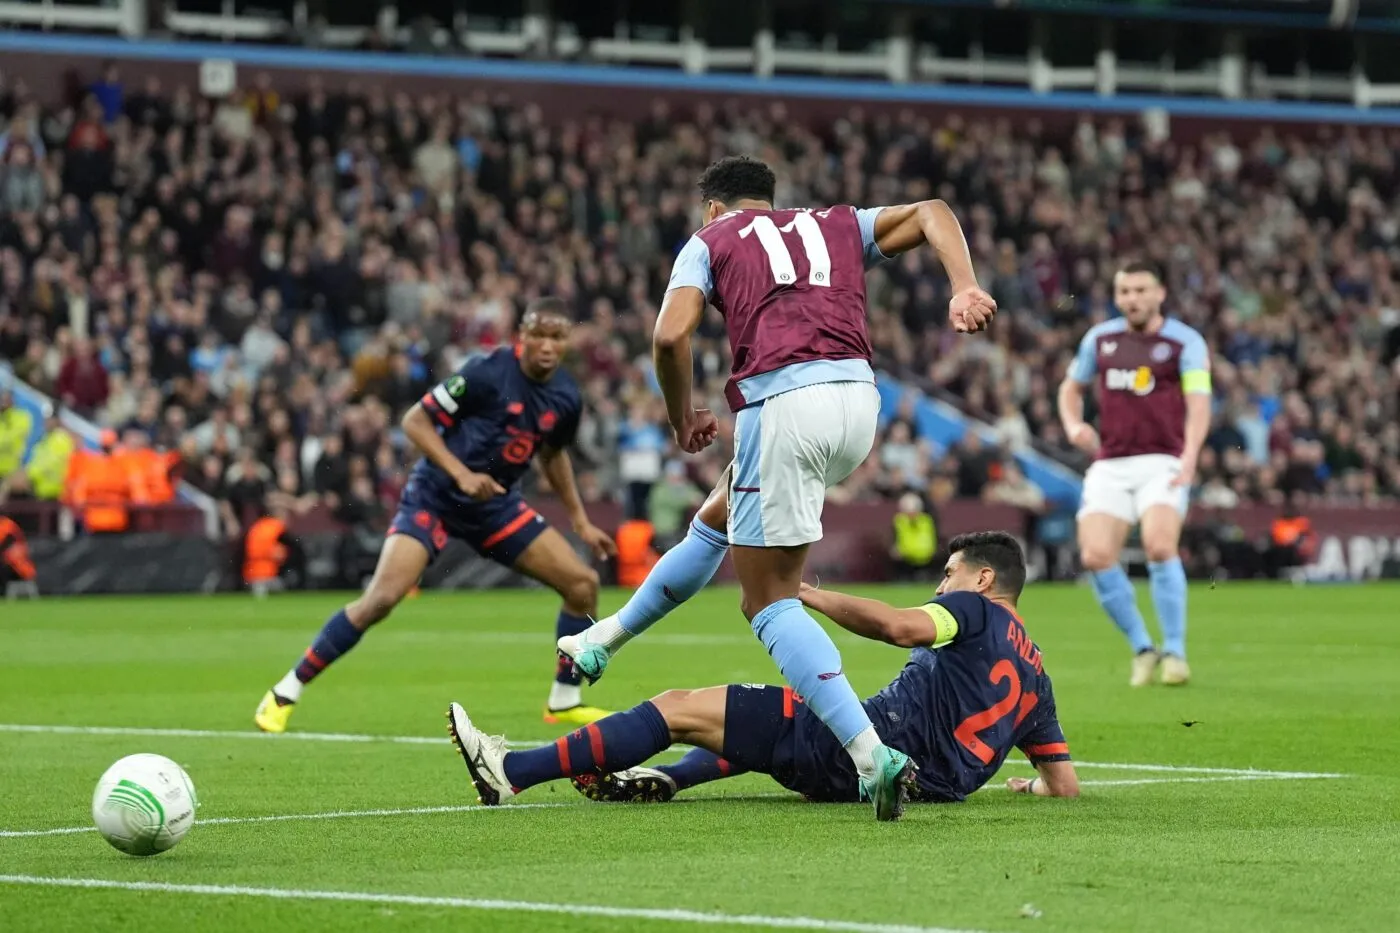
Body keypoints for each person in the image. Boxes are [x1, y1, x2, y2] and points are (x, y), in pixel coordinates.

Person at [560, 154, 998, 820]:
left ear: (713, 207)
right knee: (717, 515)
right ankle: (602, 640)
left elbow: (669, 334)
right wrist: (963, 285)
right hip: (858, 403)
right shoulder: (835, 224)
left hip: (786, 404)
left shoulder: (708, 240)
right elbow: (935, 211)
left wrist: (682, 419)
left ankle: (868, 754)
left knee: (768, 599)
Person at [448, 532, 1078, 821]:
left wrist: (809, 596)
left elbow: (898, 627)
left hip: (869, 752)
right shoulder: (1038, 676)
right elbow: (1064, 785)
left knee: (679, 706)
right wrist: (1035, 791)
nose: (942, 584)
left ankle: (512, 773)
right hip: (926, 787)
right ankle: (664, 777)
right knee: (768, 730)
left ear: (985, 581)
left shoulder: (972, 611)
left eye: (950, 573)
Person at [254, 298, 617, 734]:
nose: (545, 344)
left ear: (566, 342)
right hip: (436, 497)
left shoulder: (565, 396)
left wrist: (579, 519)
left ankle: (564, 701)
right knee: (382, 599)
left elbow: (554, 455)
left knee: (582, 585)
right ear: (521, 334)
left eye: (556, 336)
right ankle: (285, 691)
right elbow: (415, 421)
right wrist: (462, 474)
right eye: (537, 333)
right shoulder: (485, 372)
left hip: (495, 507)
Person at [1057, 260, 1212, 687]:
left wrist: (1191, 454)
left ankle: (1176, 653)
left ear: (1160, 293)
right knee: (1095, 556)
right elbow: (1070, 387)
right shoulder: (1101, 339)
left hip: (1164, 459)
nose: (1132, 299)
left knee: (1160, 546)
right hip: (1111, 462)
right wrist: (1074, 425)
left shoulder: (1185, 342)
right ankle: (1144, 648)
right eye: (1125, 291)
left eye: (1141, 290)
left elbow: (1199, 403)